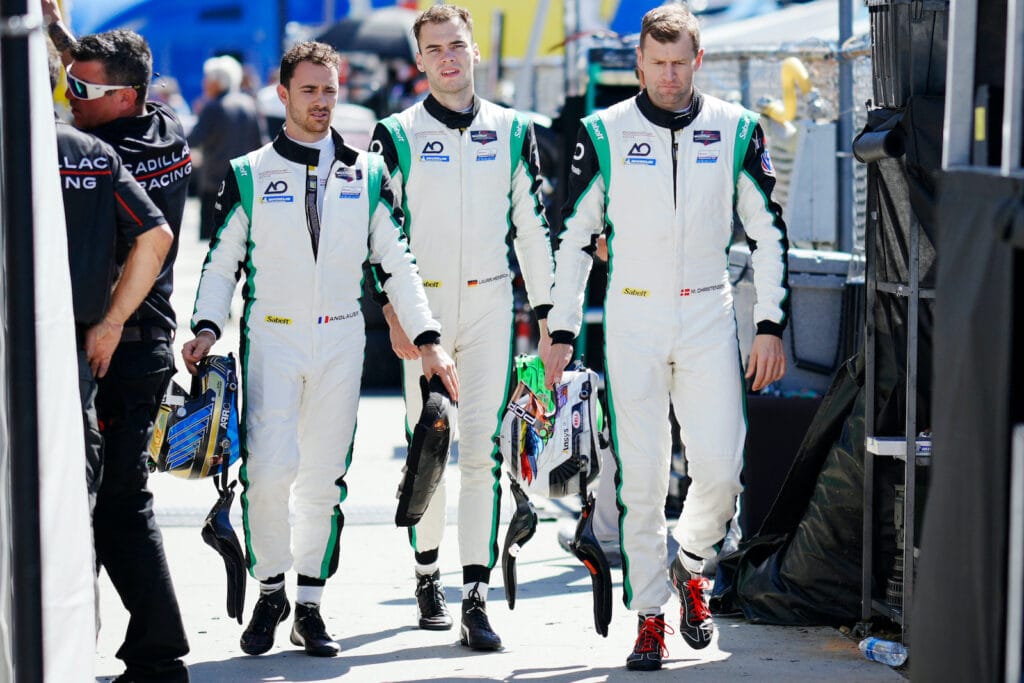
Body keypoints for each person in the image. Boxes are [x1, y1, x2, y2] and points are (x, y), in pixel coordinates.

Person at [182, 41, 459, 659]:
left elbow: (399, 264)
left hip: (340, 336)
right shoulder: (249, 173)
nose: (321, 102)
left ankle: (309, 603)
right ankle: (271, 588)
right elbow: (221, 260)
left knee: (323, 480)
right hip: (271, 336)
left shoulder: (368, 172)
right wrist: (204, 325)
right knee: (268, 471)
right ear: (282, 94)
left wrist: (429, 339)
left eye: (330, 90)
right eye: (309, 90)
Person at [541, 4, 789, 672]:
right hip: (633, 316)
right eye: (658, 63)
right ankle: (650, 618)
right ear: (640, 63)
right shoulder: (604, 131)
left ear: (698, 60)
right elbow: (570, 239)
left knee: (721, 471)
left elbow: (767, 230)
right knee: (641, 482)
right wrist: (560, 329)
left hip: (710, 312)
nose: (670, 76)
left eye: (681, 63)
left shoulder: (737, 128)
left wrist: (769, 323)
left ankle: (690, 564)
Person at [368, 4, 555, 651]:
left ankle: (474, 595)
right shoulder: (394, 134)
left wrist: (552, 322)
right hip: (424, 316)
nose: (448, 58)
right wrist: (396, 317)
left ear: (475, 51)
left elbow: (533, 229)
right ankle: (427, 575)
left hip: (491, 307)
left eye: (457, 46)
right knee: (432, 450)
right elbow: (379, 233)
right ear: (419, 61)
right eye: (435, 49)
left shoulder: (513, 130)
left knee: (482, 453)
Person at [44, 3, 195, 680]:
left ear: (124, 97)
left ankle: (160, 654)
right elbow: (105, 83)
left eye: (81, 90)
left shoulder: (112, 155)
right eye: (65, 86)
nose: (68, 97)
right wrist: (56, 35)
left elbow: (151, 237)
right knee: (109, 498)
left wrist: (105, 323)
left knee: (118, 503)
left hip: (127, 347)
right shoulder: (162, 122)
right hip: (135, 343)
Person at [188, 55, 266, 241]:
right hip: (244, 181)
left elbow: (194, 139)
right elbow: (260, 142)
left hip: (215, 183)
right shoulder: (249, 104)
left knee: (211, 244)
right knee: (240, 240)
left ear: (217, 82)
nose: (204, 83)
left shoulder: (213, 107)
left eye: (207, 78)